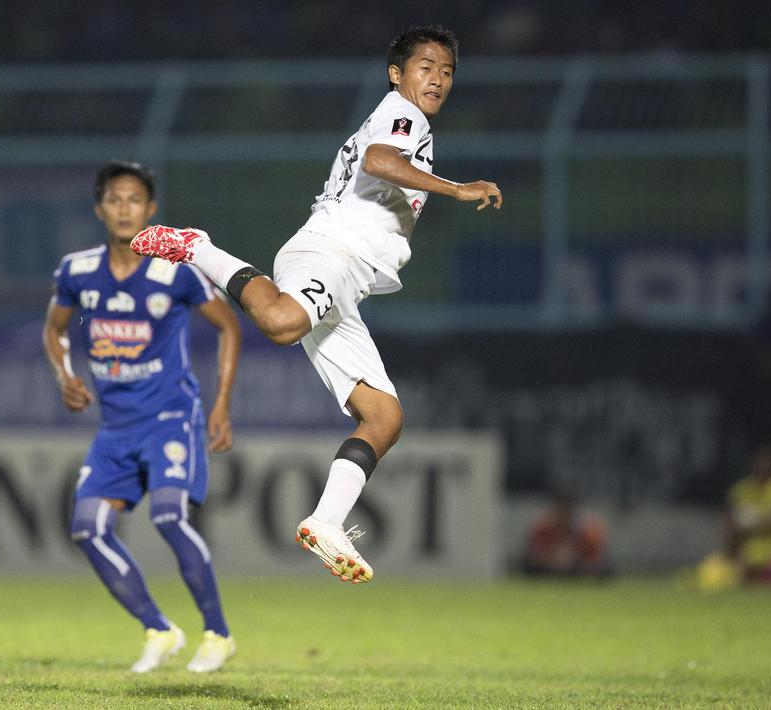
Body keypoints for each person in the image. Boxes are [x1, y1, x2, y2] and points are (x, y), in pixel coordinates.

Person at [129, 25, 501, 583]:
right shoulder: (405, 116)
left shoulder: (403, 120)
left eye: (447, 72)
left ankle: (326, 521)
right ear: (396, 74)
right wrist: (456, 188)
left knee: (384, 417)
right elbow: (378, 160)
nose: (437, 80)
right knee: (282, 322)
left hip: (347, 279)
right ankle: (197, 247)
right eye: (426, 67)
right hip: (330, 255)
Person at [44, 161, 242, 673]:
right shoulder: (77, 271)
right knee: (87, 528)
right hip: (115, 427)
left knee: (169, 516)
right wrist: (65, 374)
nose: (124, 208)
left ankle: (217, 635)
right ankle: (159, 628)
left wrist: (221, 403)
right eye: (114, 199)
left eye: (134, 199)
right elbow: (55, 329)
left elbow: (229, 326)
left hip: (170, 416)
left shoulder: (176, 271)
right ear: (99, 209)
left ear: (150, 209)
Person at [724, 445, 771, 582]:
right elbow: (729, 521)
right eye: (758, 465)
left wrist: (748, 525)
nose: (761, 468)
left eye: (766, 466)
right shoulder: (741, 489)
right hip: (747, 548)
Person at [522, 491, 611, 578]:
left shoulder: (587, 530)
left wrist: (574, 559)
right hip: (549, 566)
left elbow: (596, 558)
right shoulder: (544, 528)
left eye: (567, 510)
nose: (564, 514)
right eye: (561, 509)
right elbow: (534, 554)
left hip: (577, 567)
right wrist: (551, 558)